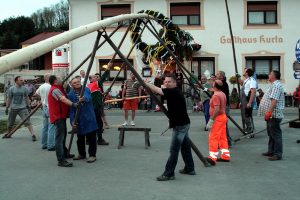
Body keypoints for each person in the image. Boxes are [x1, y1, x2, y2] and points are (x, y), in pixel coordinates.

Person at [145, 74, 195, 181]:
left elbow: (157, 89)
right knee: (185, 147)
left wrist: (146, 83)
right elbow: (162, 88)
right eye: (165, 81)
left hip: (180, 125)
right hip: (183, 123)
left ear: (174, 83)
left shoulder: (173, 91)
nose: (167, 83)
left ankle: (169, 173)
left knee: (174, 150)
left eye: (169, 82)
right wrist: (162, 86)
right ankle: (190, 168)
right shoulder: (174, 90)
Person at [48, 75, 76, 167]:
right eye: (59, 79)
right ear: (55, 81)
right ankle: (61, 160)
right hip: (58, 116)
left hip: (61, 115)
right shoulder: (55, 90)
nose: (61, 80)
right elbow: (63, 99)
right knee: (59, 138)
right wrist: (73, 104)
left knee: (63, 136)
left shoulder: (58, 88)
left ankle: (65, 153)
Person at [68, 78, 98, 163]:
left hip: (88, 117)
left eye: (78, 82)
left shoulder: (85, 89)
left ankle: (92, 155)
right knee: (80, 137)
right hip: (79, 118)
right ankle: (82, 154)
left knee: (91, 137)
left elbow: (88, 97)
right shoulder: (70, 94)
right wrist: (72, 121)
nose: (77, 83)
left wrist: (83, 98)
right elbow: (72, 109)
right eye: (74, 82)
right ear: (72, 85)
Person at [258, 70, 285, 161]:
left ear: (274, 76)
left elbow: (274, 100)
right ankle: (271, 151)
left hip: (274, 114)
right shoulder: (273, 85)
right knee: (271, 134)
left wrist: (269, 112)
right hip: (271, 114)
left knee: (276, 134)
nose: (268, 75)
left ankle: (277, 154)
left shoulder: (276, 86)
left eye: (270, 74)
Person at [205, 80, 230, 166]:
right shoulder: (221, 93)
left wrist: (211, 120)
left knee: (213, 137)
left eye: (213, 83)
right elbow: (212, 90)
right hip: (223, 117)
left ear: (215, 86)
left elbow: (216, 109)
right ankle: (225, 156)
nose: (212, 83)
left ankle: (212, 158)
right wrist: (206, 89)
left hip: (217, 119)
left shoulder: (215, 96)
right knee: (222, 137)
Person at [4, 76, 37, 141]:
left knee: (27, 121)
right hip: (13, 108)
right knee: (10, 122)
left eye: (22, 80)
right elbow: (9, 98)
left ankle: (33, 135)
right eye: (21, 80)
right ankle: (8, 133)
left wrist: (28, 106)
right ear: (16, 81)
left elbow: (26, 97)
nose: (22, 81)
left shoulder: (24, 88)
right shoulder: (11, 89)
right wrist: (7, 108)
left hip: (23, 108)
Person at [35, 73, 55, 150]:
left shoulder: (41, 86)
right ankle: (50, 145)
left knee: (45, 127)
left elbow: (35, 94)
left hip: (44, 107)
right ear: (49, 78)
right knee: (51, 127)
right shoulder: (51, 87)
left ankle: (44, 144)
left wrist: (42, 99)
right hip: (50, 108)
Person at [88, 72, 109, 145]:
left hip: (93, 107)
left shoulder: (89, 86)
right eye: (94, 77)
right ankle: (99, 139)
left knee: (92, 123)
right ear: (91, 79)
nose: (96, 78)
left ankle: (88, 140)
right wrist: (108, 69)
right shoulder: (95, 84)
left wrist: (103, 94)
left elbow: (97, 95)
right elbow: (103, 78)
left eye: (96, 77)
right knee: (99, 124)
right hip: (95, 108)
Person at [216, 71, 232, 147]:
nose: (216, 75)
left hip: (224, 106)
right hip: (223, 106)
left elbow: (216, 90)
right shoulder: (221, 83)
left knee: (222, 124)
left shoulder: (222, 83)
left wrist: (207, 89)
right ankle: (226, 141)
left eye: (218, 74)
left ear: (222, 76)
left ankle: (227, 141)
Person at [240, 68, 257, 134]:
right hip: (243, 100)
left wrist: (249, 103)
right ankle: (248, 128)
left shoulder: (252, 80)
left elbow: (253, 92)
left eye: (245, 71)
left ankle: (251, 130)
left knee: (247, 115)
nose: (243, 71)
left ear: (247, 73)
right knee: (244, 115)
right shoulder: (246, 80)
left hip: (247, 100)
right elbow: (242, 86)